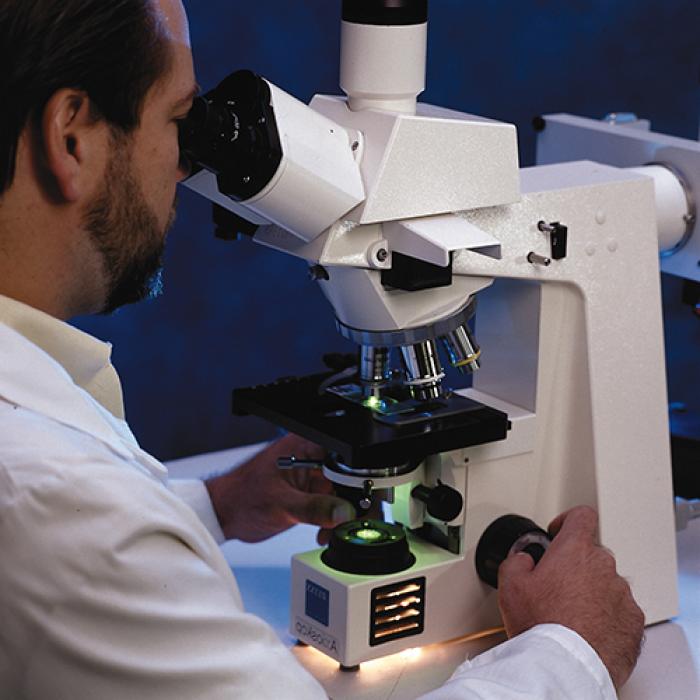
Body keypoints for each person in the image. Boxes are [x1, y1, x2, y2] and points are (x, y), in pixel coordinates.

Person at [0, 1, 645, 698]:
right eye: (180, 122)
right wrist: (572, 650)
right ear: (73, 139)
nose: (189, 166)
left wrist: (210, 505)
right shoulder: (68, 516)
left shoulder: (56, 501)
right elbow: (81, 543)